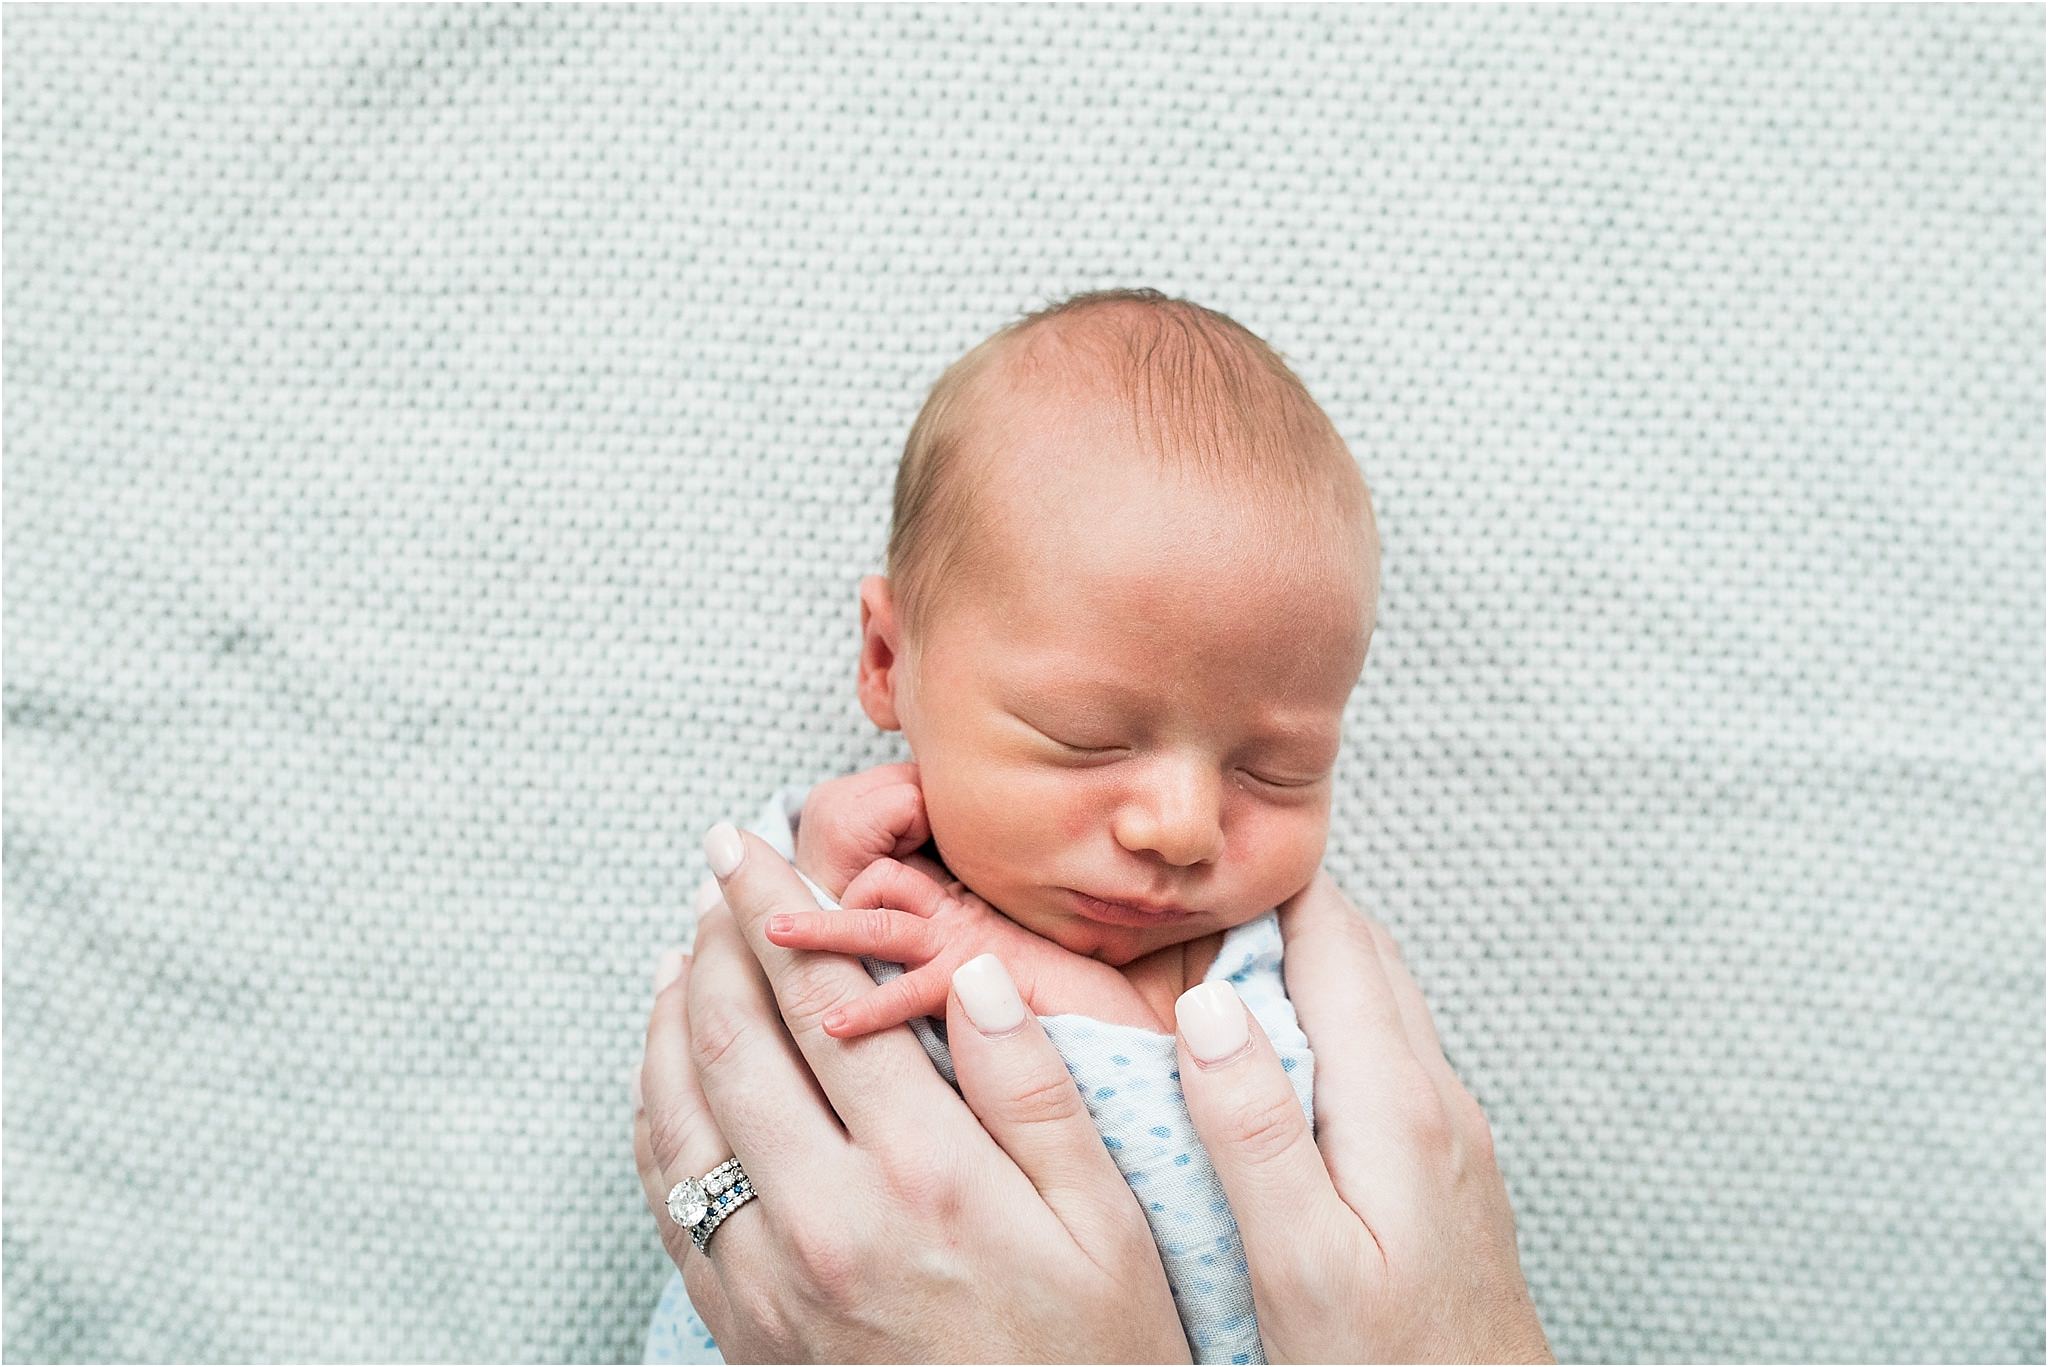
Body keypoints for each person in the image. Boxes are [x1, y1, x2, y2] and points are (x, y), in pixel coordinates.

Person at [631, 826, 1554, 1362]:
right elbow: (789, 927)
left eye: (1273, 766)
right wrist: (823, 844)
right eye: (1085, 739)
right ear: (885, 663)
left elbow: (1201, 1168)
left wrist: (1018, 964)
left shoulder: (1247, 959)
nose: (1185, 823)